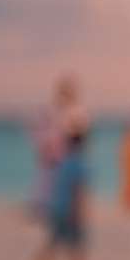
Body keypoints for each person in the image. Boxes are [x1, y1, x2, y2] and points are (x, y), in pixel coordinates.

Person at [31, 127, 90, 260]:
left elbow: (56, 185)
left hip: (57, 208)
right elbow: (78, 191)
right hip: (69, 211)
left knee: (53, 244)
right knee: (77, 246)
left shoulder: (63, 162)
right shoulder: (79, 163)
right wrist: (79, 212)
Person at [28, 75, 84, 219]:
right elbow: (38, 131)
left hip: (66, 158)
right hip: (53, 157)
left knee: (64, 190)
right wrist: (44, 147)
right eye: (65, 92)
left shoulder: (75, 112)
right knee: (47, 187)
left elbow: (79, 136)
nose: (67, 95)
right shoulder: (50, 111)